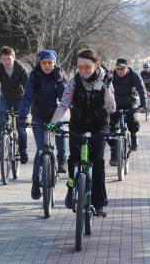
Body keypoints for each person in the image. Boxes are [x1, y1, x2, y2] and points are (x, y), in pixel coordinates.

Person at [47, 49, 116, 217]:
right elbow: (63, 104)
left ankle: (100, 203)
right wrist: (51, 124)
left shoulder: (104, 80)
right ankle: (71, 190)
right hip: (77, 125)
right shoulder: (74, 81)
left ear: (96, 65)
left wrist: (107, 88)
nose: (83, 70)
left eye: (87, 67)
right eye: (80, 67)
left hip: (99, 126)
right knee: (73, 160)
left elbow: (111, 108)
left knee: (98, 162)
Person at [18, 50, 67, 200]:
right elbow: (27, 97)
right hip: (38, 116)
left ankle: (61, 159)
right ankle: (35, 182)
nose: (47, 66)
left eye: (50, 63)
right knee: (41, 150)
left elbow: (64, 98)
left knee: (59, 130)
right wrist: (22, 116)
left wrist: (60, 82)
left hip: (53, 117)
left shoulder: (58, 76)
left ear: (54, 63)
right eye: (44, 62)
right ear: (40, 63)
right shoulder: (34, 76)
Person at [0, 46, 29, 163]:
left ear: (14, 58)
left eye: (8, 59)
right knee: (0, 123)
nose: (6, 62)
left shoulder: (21, 69)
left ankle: (23, 151)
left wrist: (28, 107)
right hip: (5, 99)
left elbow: (28, 88)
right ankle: (0, 150)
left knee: (21, 125)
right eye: (3, 59)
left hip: (20, 98)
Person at [108, 58, 147, 166]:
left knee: (133, 122)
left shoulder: (134, 75)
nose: (120, 71)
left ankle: (133, 136)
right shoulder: (111, 74)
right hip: (114, 104)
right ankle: (114, 153)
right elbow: (103, 88)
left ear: (127, 67)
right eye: (118, 68)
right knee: (109, 129)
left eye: (122, 68)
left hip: (130, 102)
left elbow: (141, 89)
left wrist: (144, 105)